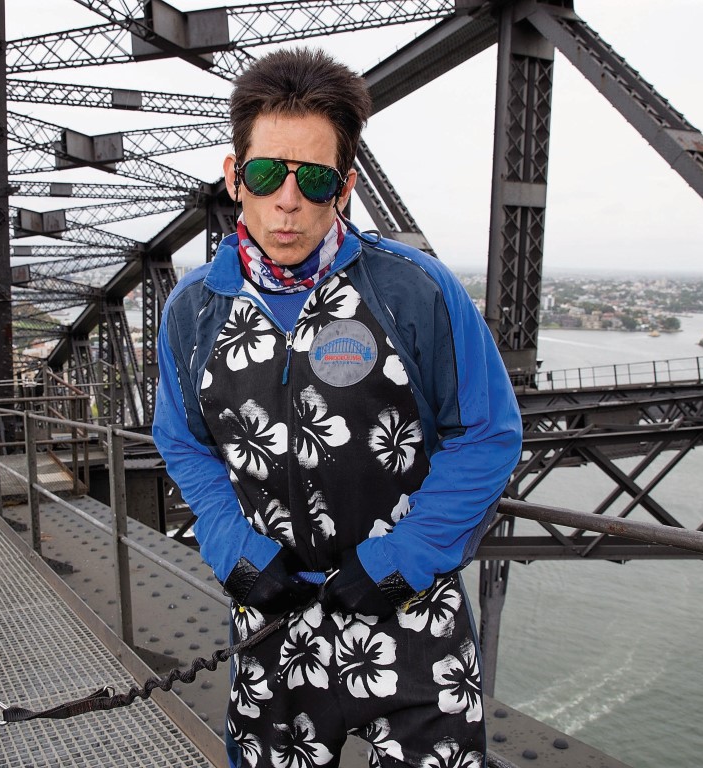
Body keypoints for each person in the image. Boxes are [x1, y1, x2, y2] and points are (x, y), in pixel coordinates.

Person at [152, 47, 522, 768]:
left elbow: (487, 435)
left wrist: (400, 562)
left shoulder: (413, 290)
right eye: (265, 174)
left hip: (413, 620)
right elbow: (185, 441)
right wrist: (235, 552)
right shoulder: (194, 311)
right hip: (275, 619)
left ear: (343, 188)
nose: (286, 201)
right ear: (235, 177)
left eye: (313, 180)